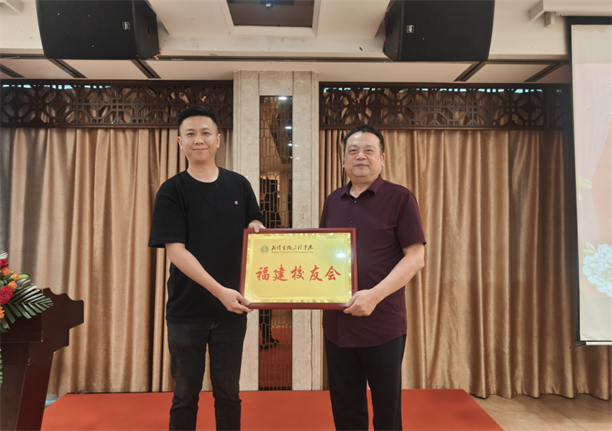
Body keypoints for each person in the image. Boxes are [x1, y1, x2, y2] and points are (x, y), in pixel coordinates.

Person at [148, 106, 264, 431]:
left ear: (218, 139)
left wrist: (256, 227)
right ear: (179, 142)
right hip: (187, 312)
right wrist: (219, 291)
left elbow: (254, 221)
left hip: (232, 311)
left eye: (205, 133)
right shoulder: (172, 190)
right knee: (185, 395)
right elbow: (176, 252)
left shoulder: (239, 185)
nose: (198, 140)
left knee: (229, 394)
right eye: (190, 134)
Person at [320, 124, 426, 431]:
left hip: (382, 323)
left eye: (369, 150)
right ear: (343, 160)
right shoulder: (333, 200)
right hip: (338, 324)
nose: (360, 156)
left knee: (386, 412)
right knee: (346, 410)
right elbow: (322, 253)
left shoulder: (400, 198)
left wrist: (374, 296)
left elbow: (415, 257)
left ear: (382, 159)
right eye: (353, 151)